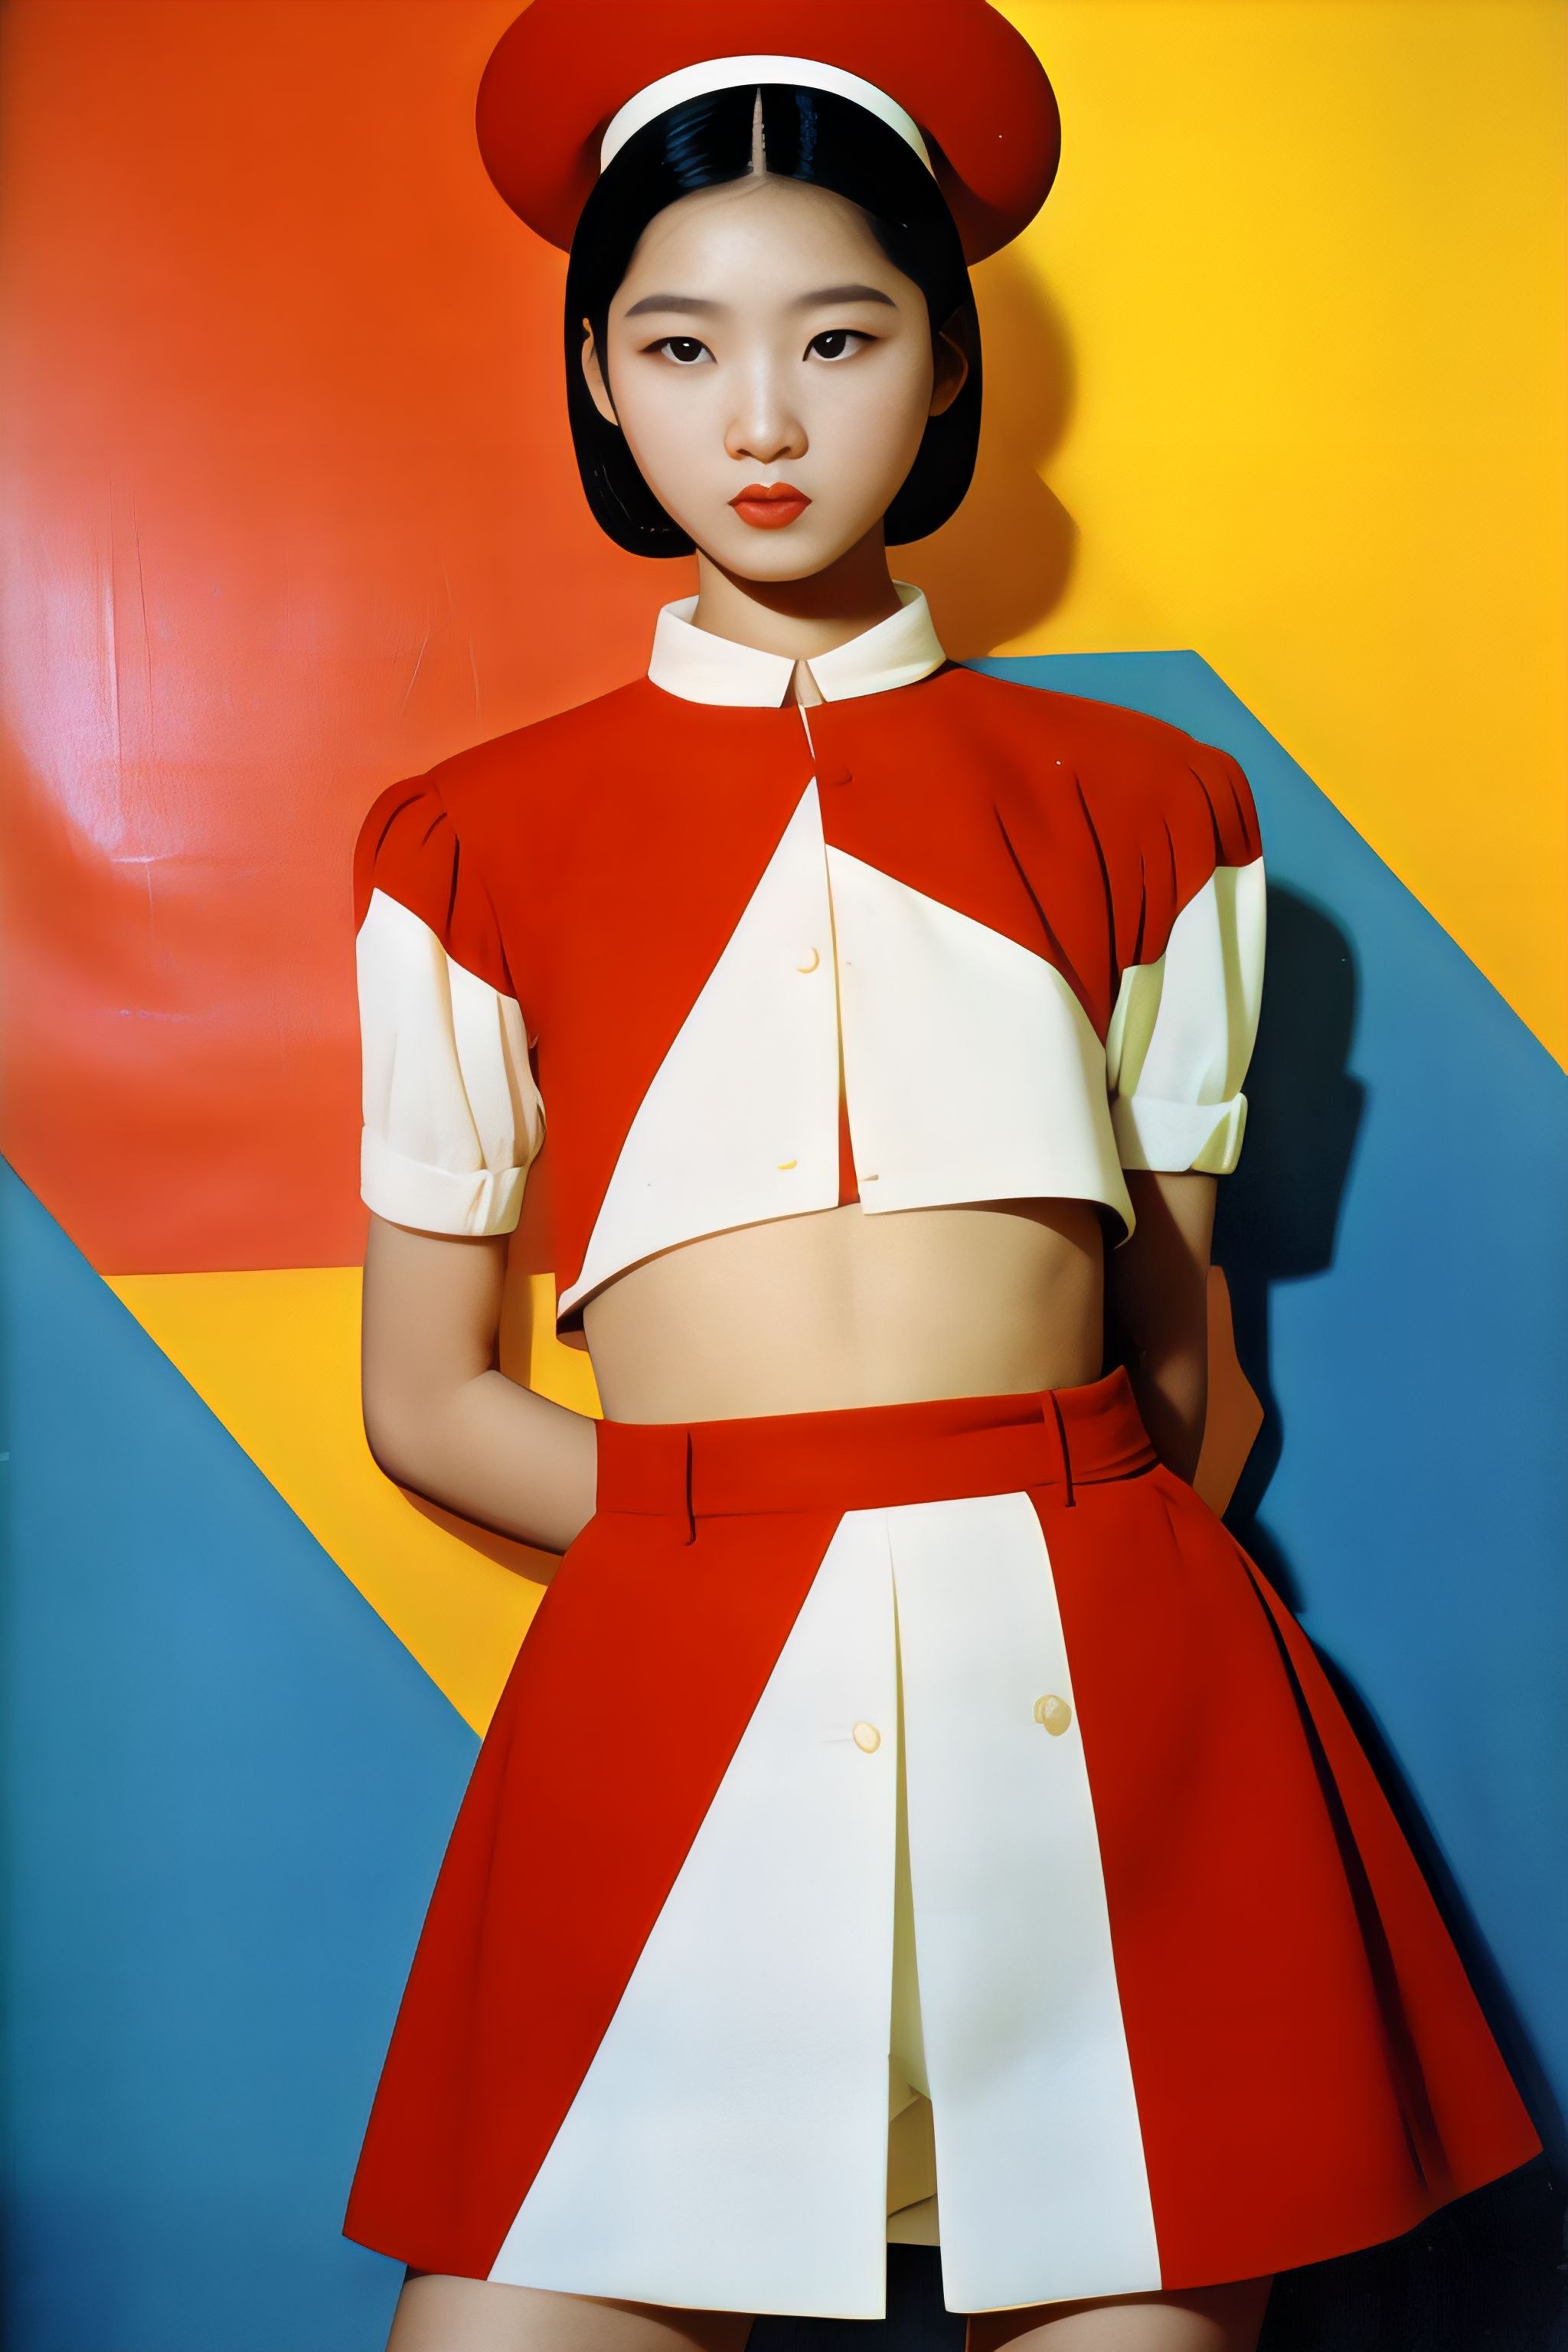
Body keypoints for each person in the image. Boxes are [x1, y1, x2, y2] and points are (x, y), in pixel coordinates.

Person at [340, 7, 1540, 2349]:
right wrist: (740, 1550)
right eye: (683, 342)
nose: (764, 420)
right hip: (662, 1689)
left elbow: (1200, 1371)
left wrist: (1034, 1559)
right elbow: (428, 1399)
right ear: (599, 374)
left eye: (842, 336)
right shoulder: (462, 845)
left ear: (943, 364)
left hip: (1112, 1718)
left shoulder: (1158, 808)